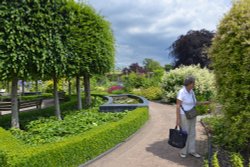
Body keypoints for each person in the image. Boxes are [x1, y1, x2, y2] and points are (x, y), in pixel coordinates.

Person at [176, 76, 210, 158]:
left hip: (192, 114)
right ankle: (183, 152)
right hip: (184, 115)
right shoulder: (181, 92)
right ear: (189, 84)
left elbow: (195, 103)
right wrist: (178, 119)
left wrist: (206, 102)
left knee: (192, 133)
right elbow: (178, 106)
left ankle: (192, 151)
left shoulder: (191, 91)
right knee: (185, 133)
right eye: (193, 83)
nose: (194, 84)